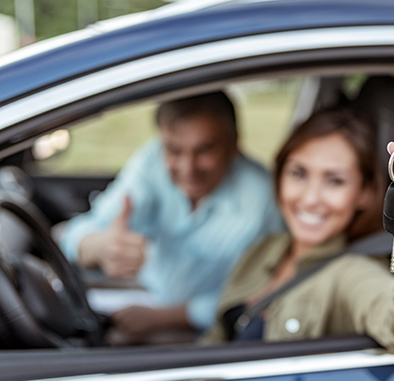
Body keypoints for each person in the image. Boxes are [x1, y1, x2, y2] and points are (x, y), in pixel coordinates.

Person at [201, 107, 394, 353]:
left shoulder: (349, 274)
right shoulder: (266, 249)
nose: (309, 198)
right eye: (298, 173)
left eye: (335, 181)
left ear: (364, 192)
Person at [60, 92, 282, 342]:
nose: (188, 168)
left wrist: (163, 317)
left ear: (234, 144)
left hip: (208, 327)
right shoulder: (152, 162)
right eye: (174, 150)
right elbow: (76, 233)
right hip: (144, 291)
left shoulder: (264, 201)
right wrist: (99, 248)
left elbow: (264, 293)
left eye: (205, 150)